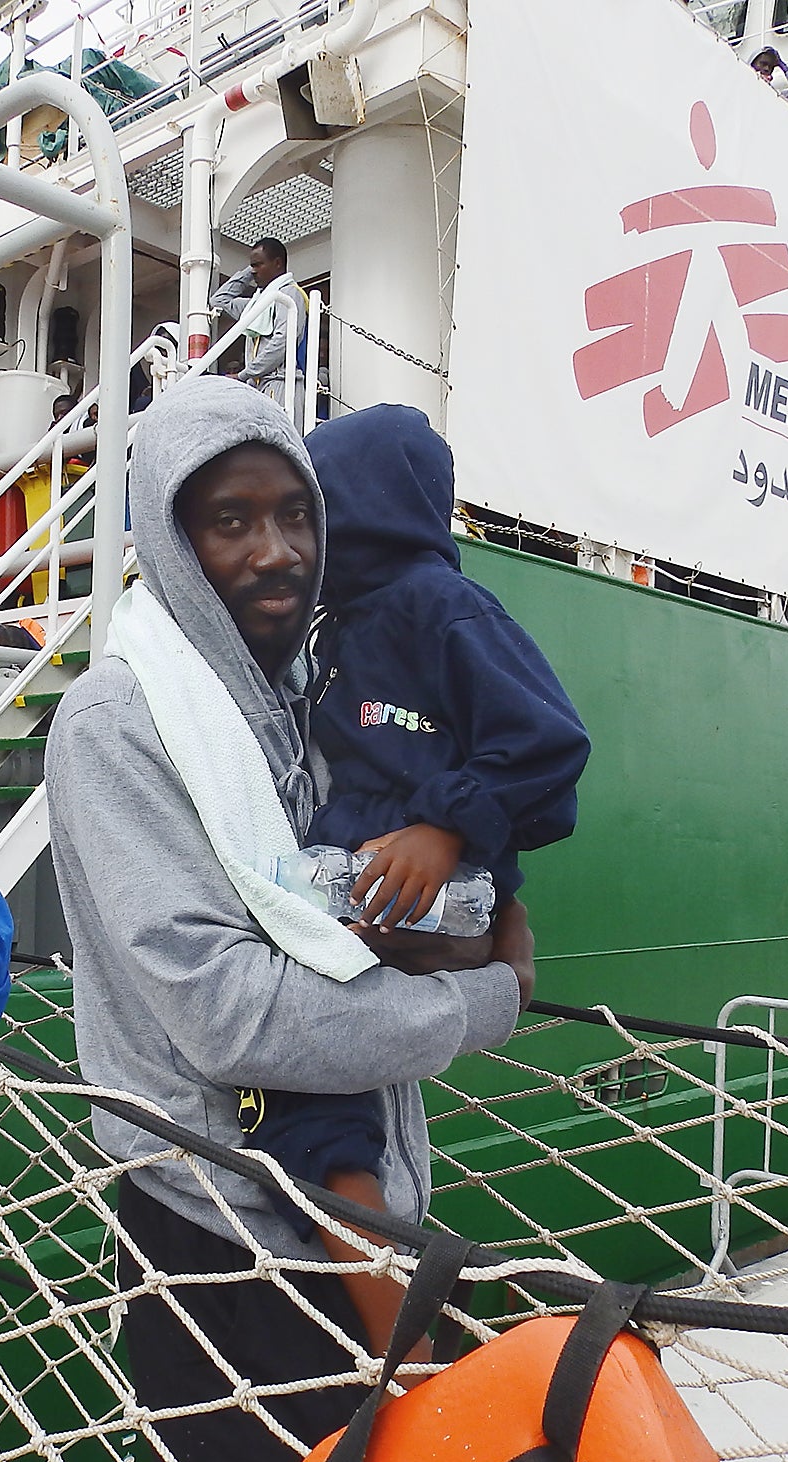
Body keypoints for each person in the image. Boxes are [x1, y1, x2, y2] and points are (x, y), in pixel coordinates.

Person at [45, 375, 534, 1462]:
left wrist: (465, 898)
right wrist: (484, 1001)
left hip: (367, 1204)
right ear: (168, 533)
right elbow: (231, 1016)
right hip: (218, 1237)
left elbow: (432, 901)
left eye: (295, 515)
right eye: (228, 522)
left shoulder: (314, 700)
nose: (275, 552)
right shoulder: (119, 722)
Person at [236, 404, 589, 1354]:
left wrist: (447, 827)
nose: (298, 538)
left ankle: (414, 1354)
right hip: (366, 892)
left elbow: (550, 745)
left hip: (420, 897)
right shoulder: (342, 626)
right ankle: (417, 1317)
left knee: (305, 1108)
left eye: (315, 508)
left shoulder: (442, 606)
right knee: (314, 1107)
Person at [210, 237, 309, 408]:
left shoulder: (289, 294)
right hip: (256, 385)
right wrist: (247, 273)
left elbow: (282, 341)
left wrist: (244, 374)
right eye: (251, 266)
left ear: (277, 263)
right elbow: (219, 300)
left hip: (281, 382)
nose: (254, 271)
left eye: (258, 265)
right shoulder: (257, 304)